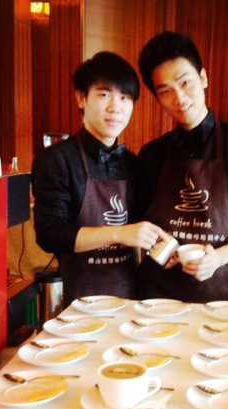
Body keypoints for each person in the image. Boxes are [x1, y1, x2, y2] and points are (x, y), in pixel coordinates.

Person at [136, 32, 228, 302]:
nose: (179, 98)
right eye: (165, 91)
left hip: (218, 296)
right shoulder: (152, 154)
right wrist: (159, 248)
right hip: (157, 297)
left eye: (185, 82)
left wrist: (218, 258)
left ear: (203, 77)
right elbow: (141, 223)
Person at [32, 52, 163, 304]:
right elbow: (50, 235)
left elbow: (143, 222)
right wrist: (118, 233)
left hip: (129, 298)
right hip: (80, 301)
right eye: (104, 95)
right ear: (81, 98)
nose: (116, 107)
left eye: (125, 97)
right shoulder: (57, 160)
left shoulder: (132, 163)